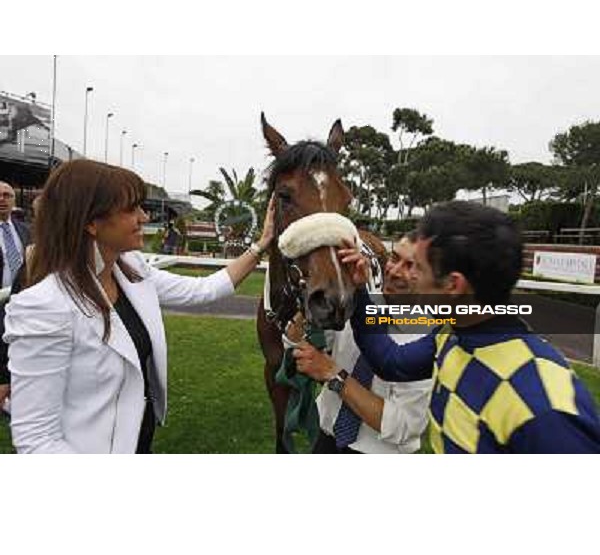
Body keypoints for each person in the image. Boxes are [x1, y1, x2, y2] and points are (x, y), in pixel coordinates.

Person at [2, 160, 275, 454]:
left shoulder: (132, 270)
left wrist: (261, 245)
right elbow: (37, 440)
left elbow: (202, 290)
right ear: (91, 222)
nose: (144, 217)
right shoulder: (44, 306)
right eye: (131, 209)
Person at [337, 201, 600, 453]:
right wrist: (360, 290)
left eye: (418, 267)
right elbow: (389, 361)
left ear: (454, 285)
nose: (405, 275)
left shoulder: (548, 406)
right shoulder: (450, 337)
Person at [294, 232, 433, 453]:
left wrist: (334, 375)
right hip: (325, 440)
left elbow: (405, 427)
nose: (395, 271)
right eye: (395, 258)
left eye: (412, 267)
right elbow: (315, 344)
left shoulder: (429, 343)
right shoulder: (362, 306)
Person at [0, 181, 31, 414]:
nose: (2, 199)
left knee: (19, 347)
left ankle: (16, 390)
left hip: (22, 302)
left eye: (7, 195)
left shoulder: (24, 230)